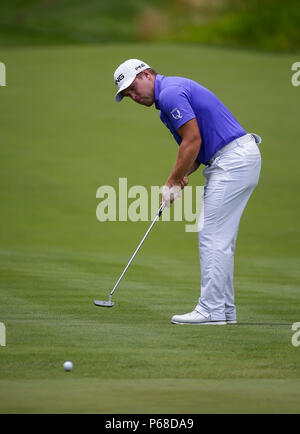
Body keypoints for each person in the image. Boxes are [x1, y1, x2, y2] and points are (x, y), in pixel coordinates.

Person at [113, 58, 262, 325]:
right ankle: (225, 310)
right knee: (220, 238)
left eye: (133, 88)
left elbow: (193, 141)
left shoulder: (170, 93)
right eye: (128, 95)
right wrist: (179, 178)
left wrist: (172, 181)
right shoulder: (165, 107)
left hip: (232, 160)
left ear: (147, 74)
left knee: (211, 234)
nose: (134, 96)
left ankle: (211, 310)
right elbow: (193, 152)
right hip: (235, 159)